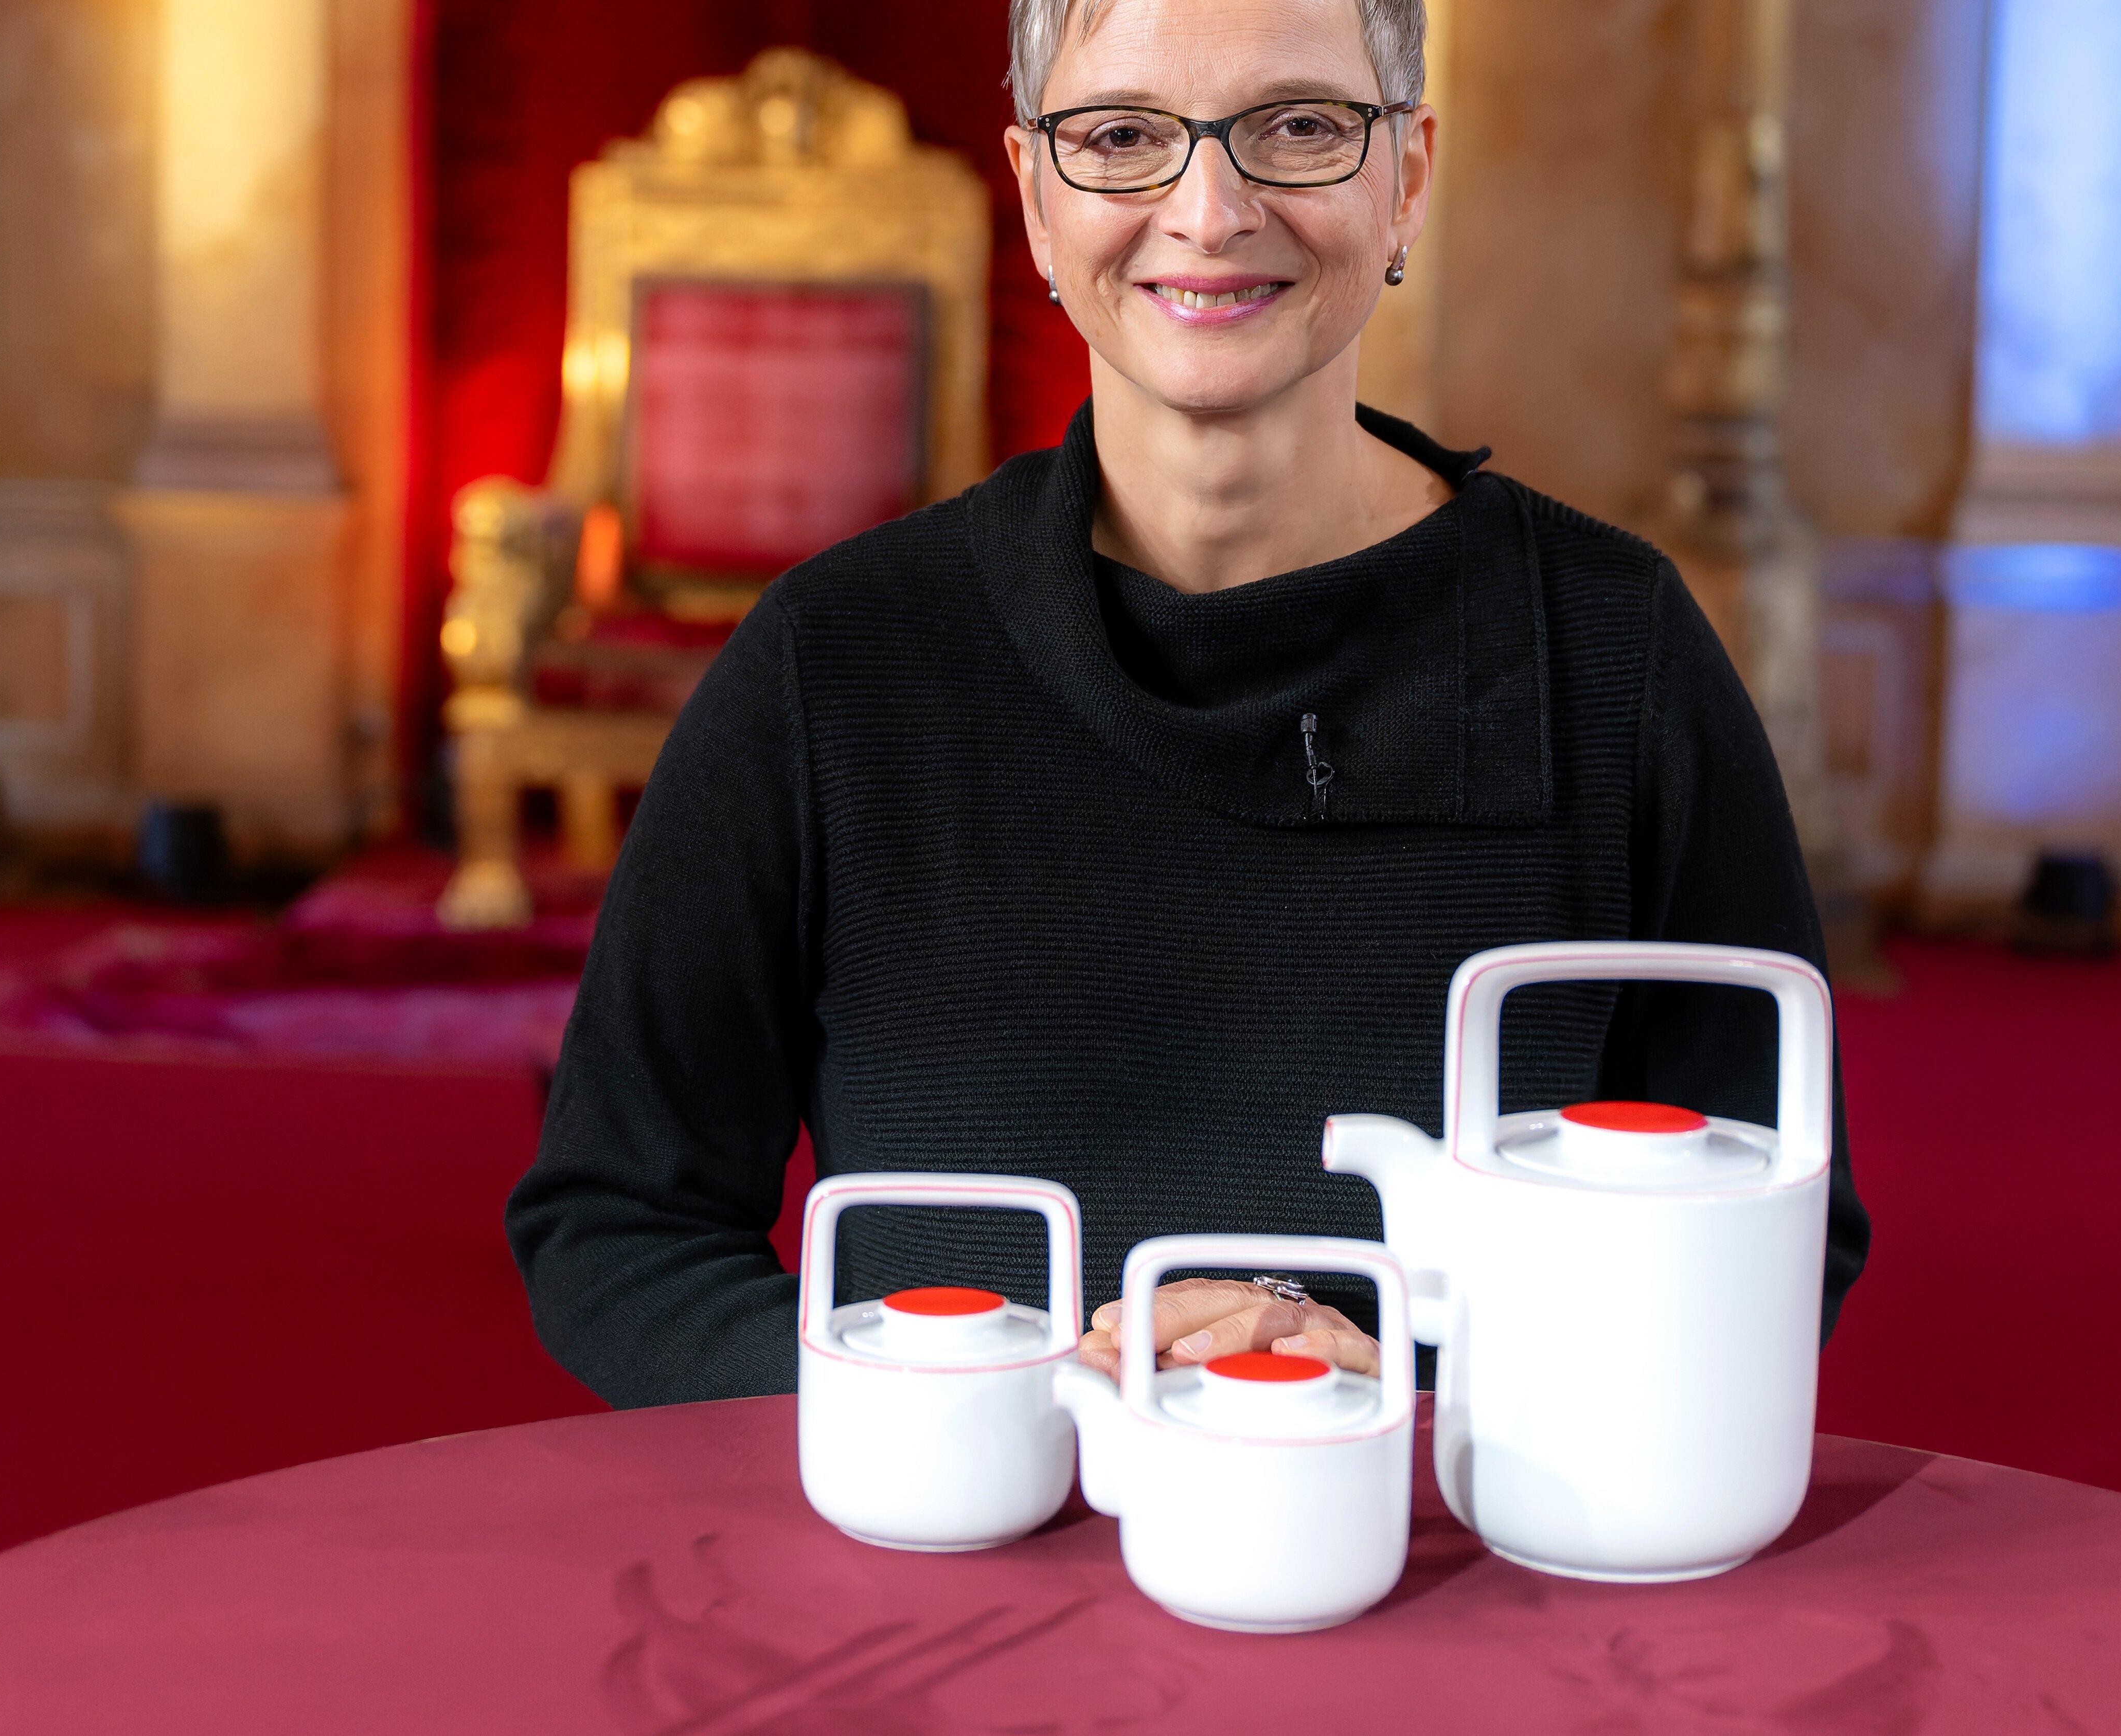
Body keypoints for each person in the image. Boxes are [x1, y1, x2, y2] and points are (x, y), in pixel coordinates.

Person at [509, 0, 1868, 1405]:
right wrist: (989, 1414)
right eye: (1121, 137)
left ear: (1406, 176)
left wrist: (1420, 1396)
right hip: (967, 1533)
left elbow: (1776, 1234)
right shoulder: (832, 663)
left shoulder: (1612, 650)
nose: (1210, 213)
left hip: (1444, 1530)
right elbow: (618, 1225)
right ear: (1035, 199)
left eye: (1300, 127)